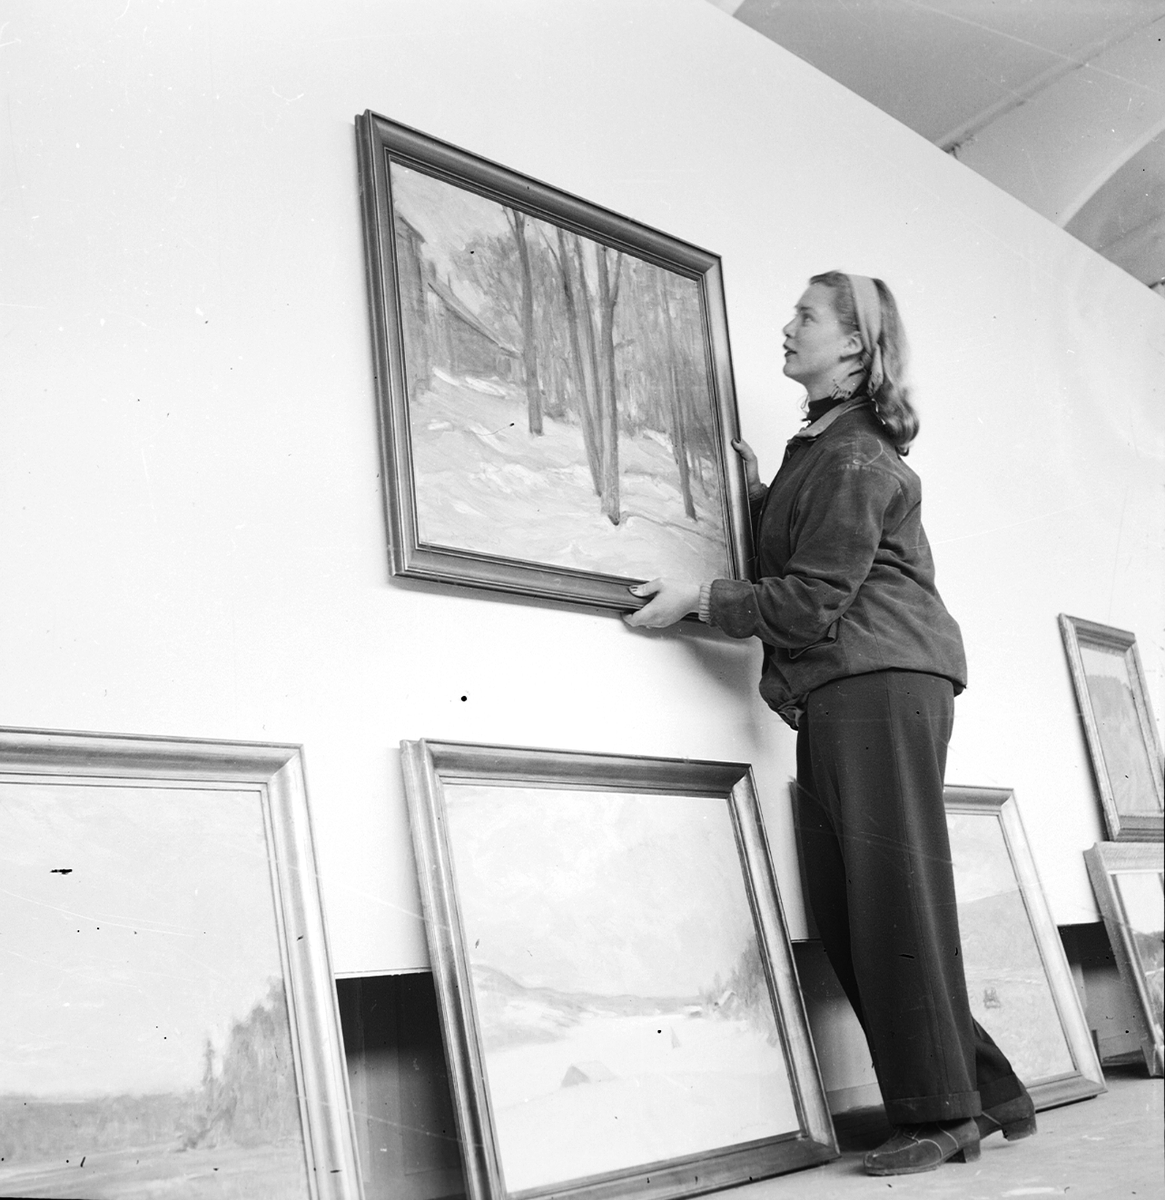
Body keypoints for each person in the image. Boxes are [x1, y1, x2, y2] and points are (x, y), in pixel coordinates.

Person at [623, 271, 1036, 1176]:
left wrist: (698, 597)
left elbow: (810, 598)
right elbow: (808, 554)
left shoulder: (851, 456)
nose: (786, 326)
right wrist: (750, 494)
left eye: (804, 316)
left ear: (852, 343)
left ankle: (943, 1115)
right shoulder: (824, 446)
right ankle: (984, 1090)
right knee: (859, 910)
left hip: (878, 682)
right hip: (862, 685)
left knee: (884, 902)